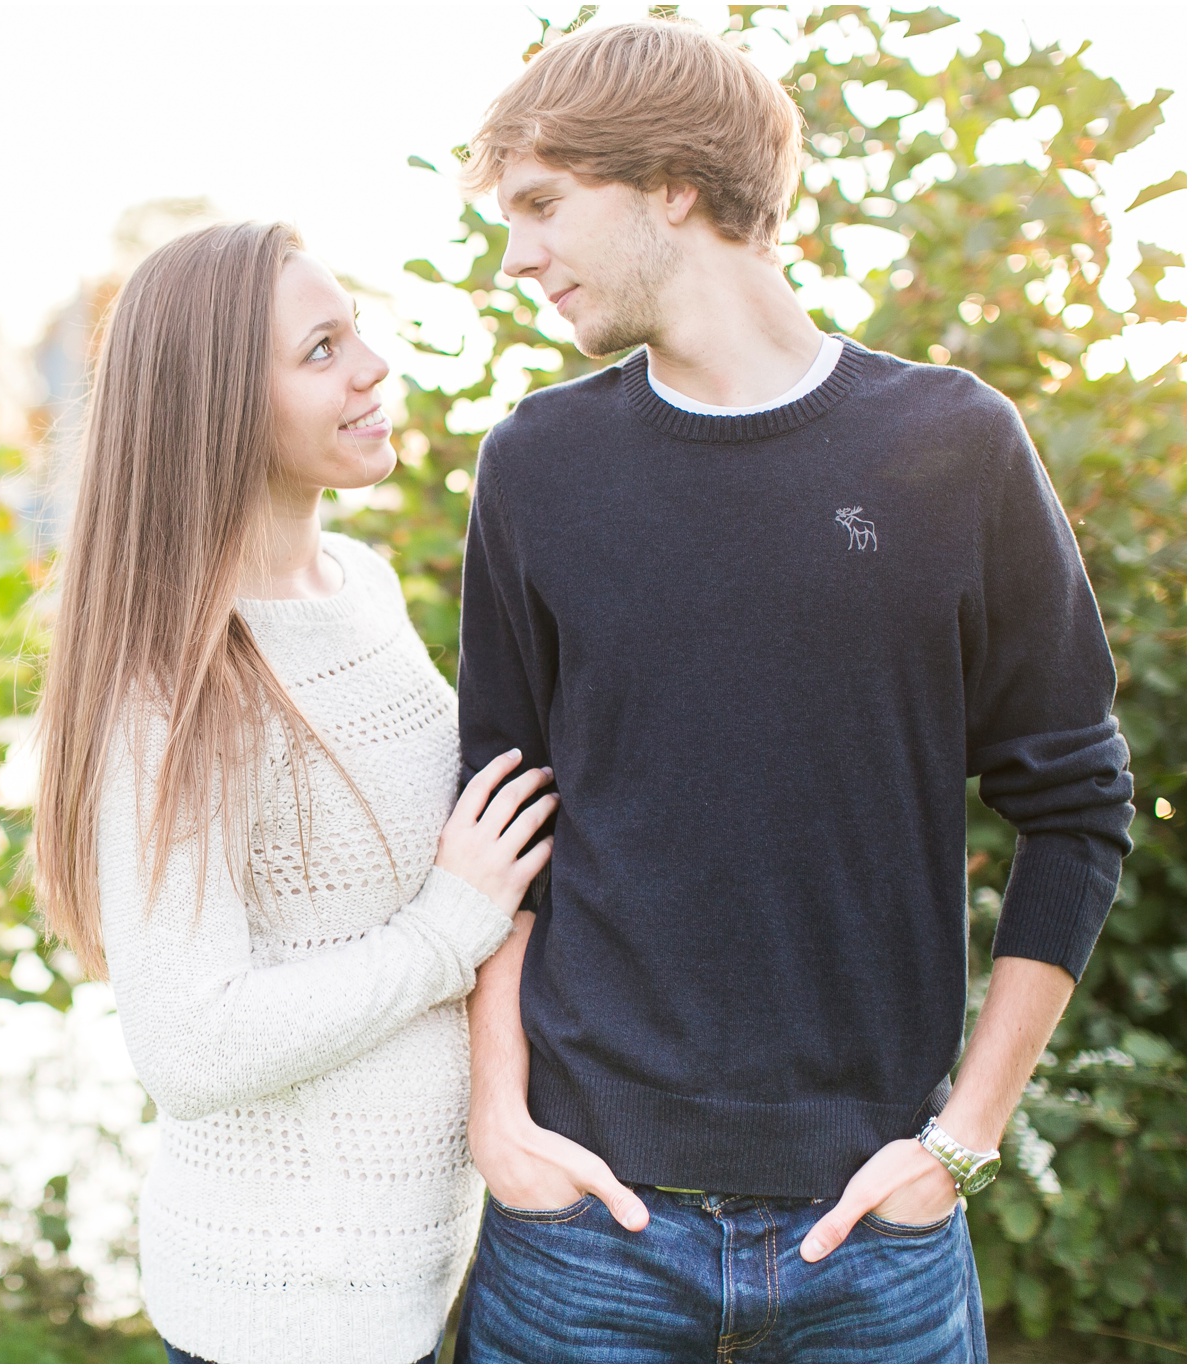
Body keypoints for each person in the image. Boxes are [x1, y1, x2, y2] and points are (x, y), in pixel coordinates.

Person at [450, 19, 1135, 1363]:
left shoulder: (954, 447)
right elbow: (497, 825)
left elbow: (1080, 805)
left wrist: (967, 1140)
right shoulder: (537, 464)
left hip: (871, 1241)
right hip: (585, 1232)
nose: (517, 255)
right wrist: (499, 1126)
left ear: (675, 186)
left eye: (540, 206)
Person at [29, 222, 555, 1364]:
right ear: (215, 405)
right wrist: (446, 927)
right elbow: (191, 1041)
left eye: (353, 330)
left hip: (421, 1276)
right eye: (320, 349)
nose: (370, 366)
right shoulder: (169, 679)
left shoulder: (357, 584)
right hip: (286, 1313)